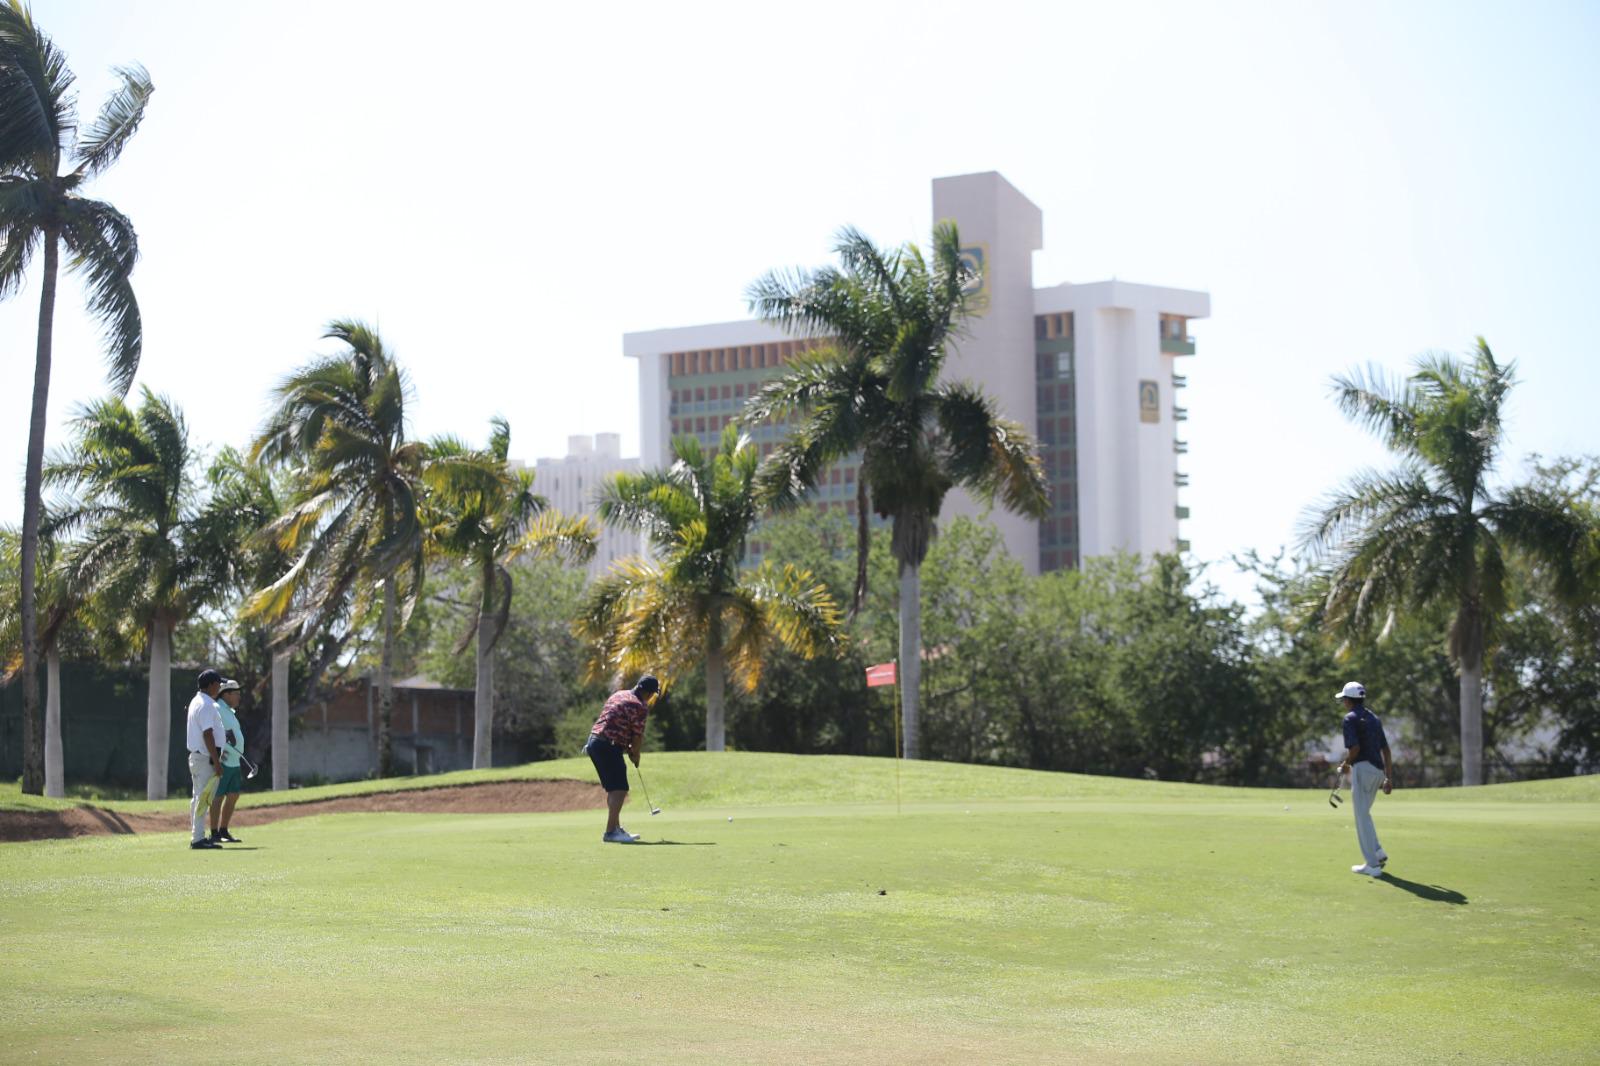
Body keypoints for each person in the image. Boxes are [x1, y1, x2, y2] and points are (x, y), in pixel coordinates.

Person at [583, 674, 661, 843]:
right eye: (652, 694)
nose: (651, 698)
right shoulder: (639, 705)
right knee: (620, 789)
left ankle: (616, 829)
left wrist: (629, 750)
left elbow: (617, 725)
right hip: (607, 745)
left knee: (614, 788)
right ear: (647, 693)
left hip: (594, 743)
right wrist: (636, 754)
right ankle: (610, 832)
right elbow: (637, 737)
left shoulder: (619, 694)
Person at [1335, 681, 1393, 877]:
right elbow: (1386, 750)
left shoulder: (1349, 719)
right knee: (1364, 814)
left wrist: (1345, 764)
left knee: (1360, 817)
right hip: (1378, 772)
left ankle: (1372, 865)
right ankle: (1377, 851)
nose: (1343, 702)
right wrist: (1388, 778)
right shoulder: (1374, 718)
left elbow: (1355, 749)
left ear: (1349, 700)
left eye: (1343, 699)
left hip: (1363, 769)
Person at [186, 669, 227, 850]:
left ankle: (198, 835)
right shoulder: (206, 704)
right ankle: (198, 839)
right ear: (211, 685)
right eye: (218, 683)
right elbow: (208, 734)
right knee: (203, 798)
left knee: (199, 798)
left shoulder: (198, 701)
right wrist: (216, 762)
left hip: (199, 757)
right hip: (204, 759)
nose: (219, 687)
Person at [207, 679, 247, 844]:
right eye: (236, 694)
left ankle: (224, 830)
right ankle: (214, 832)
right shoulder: (216, 708)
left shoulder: (229, 711)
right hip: (223, 761)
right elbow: (210, 731)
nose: (239, 697)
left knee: (233, 795)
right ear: (227, 694)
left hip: (235, 761)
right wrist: (216, 753)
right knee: (218, 796)